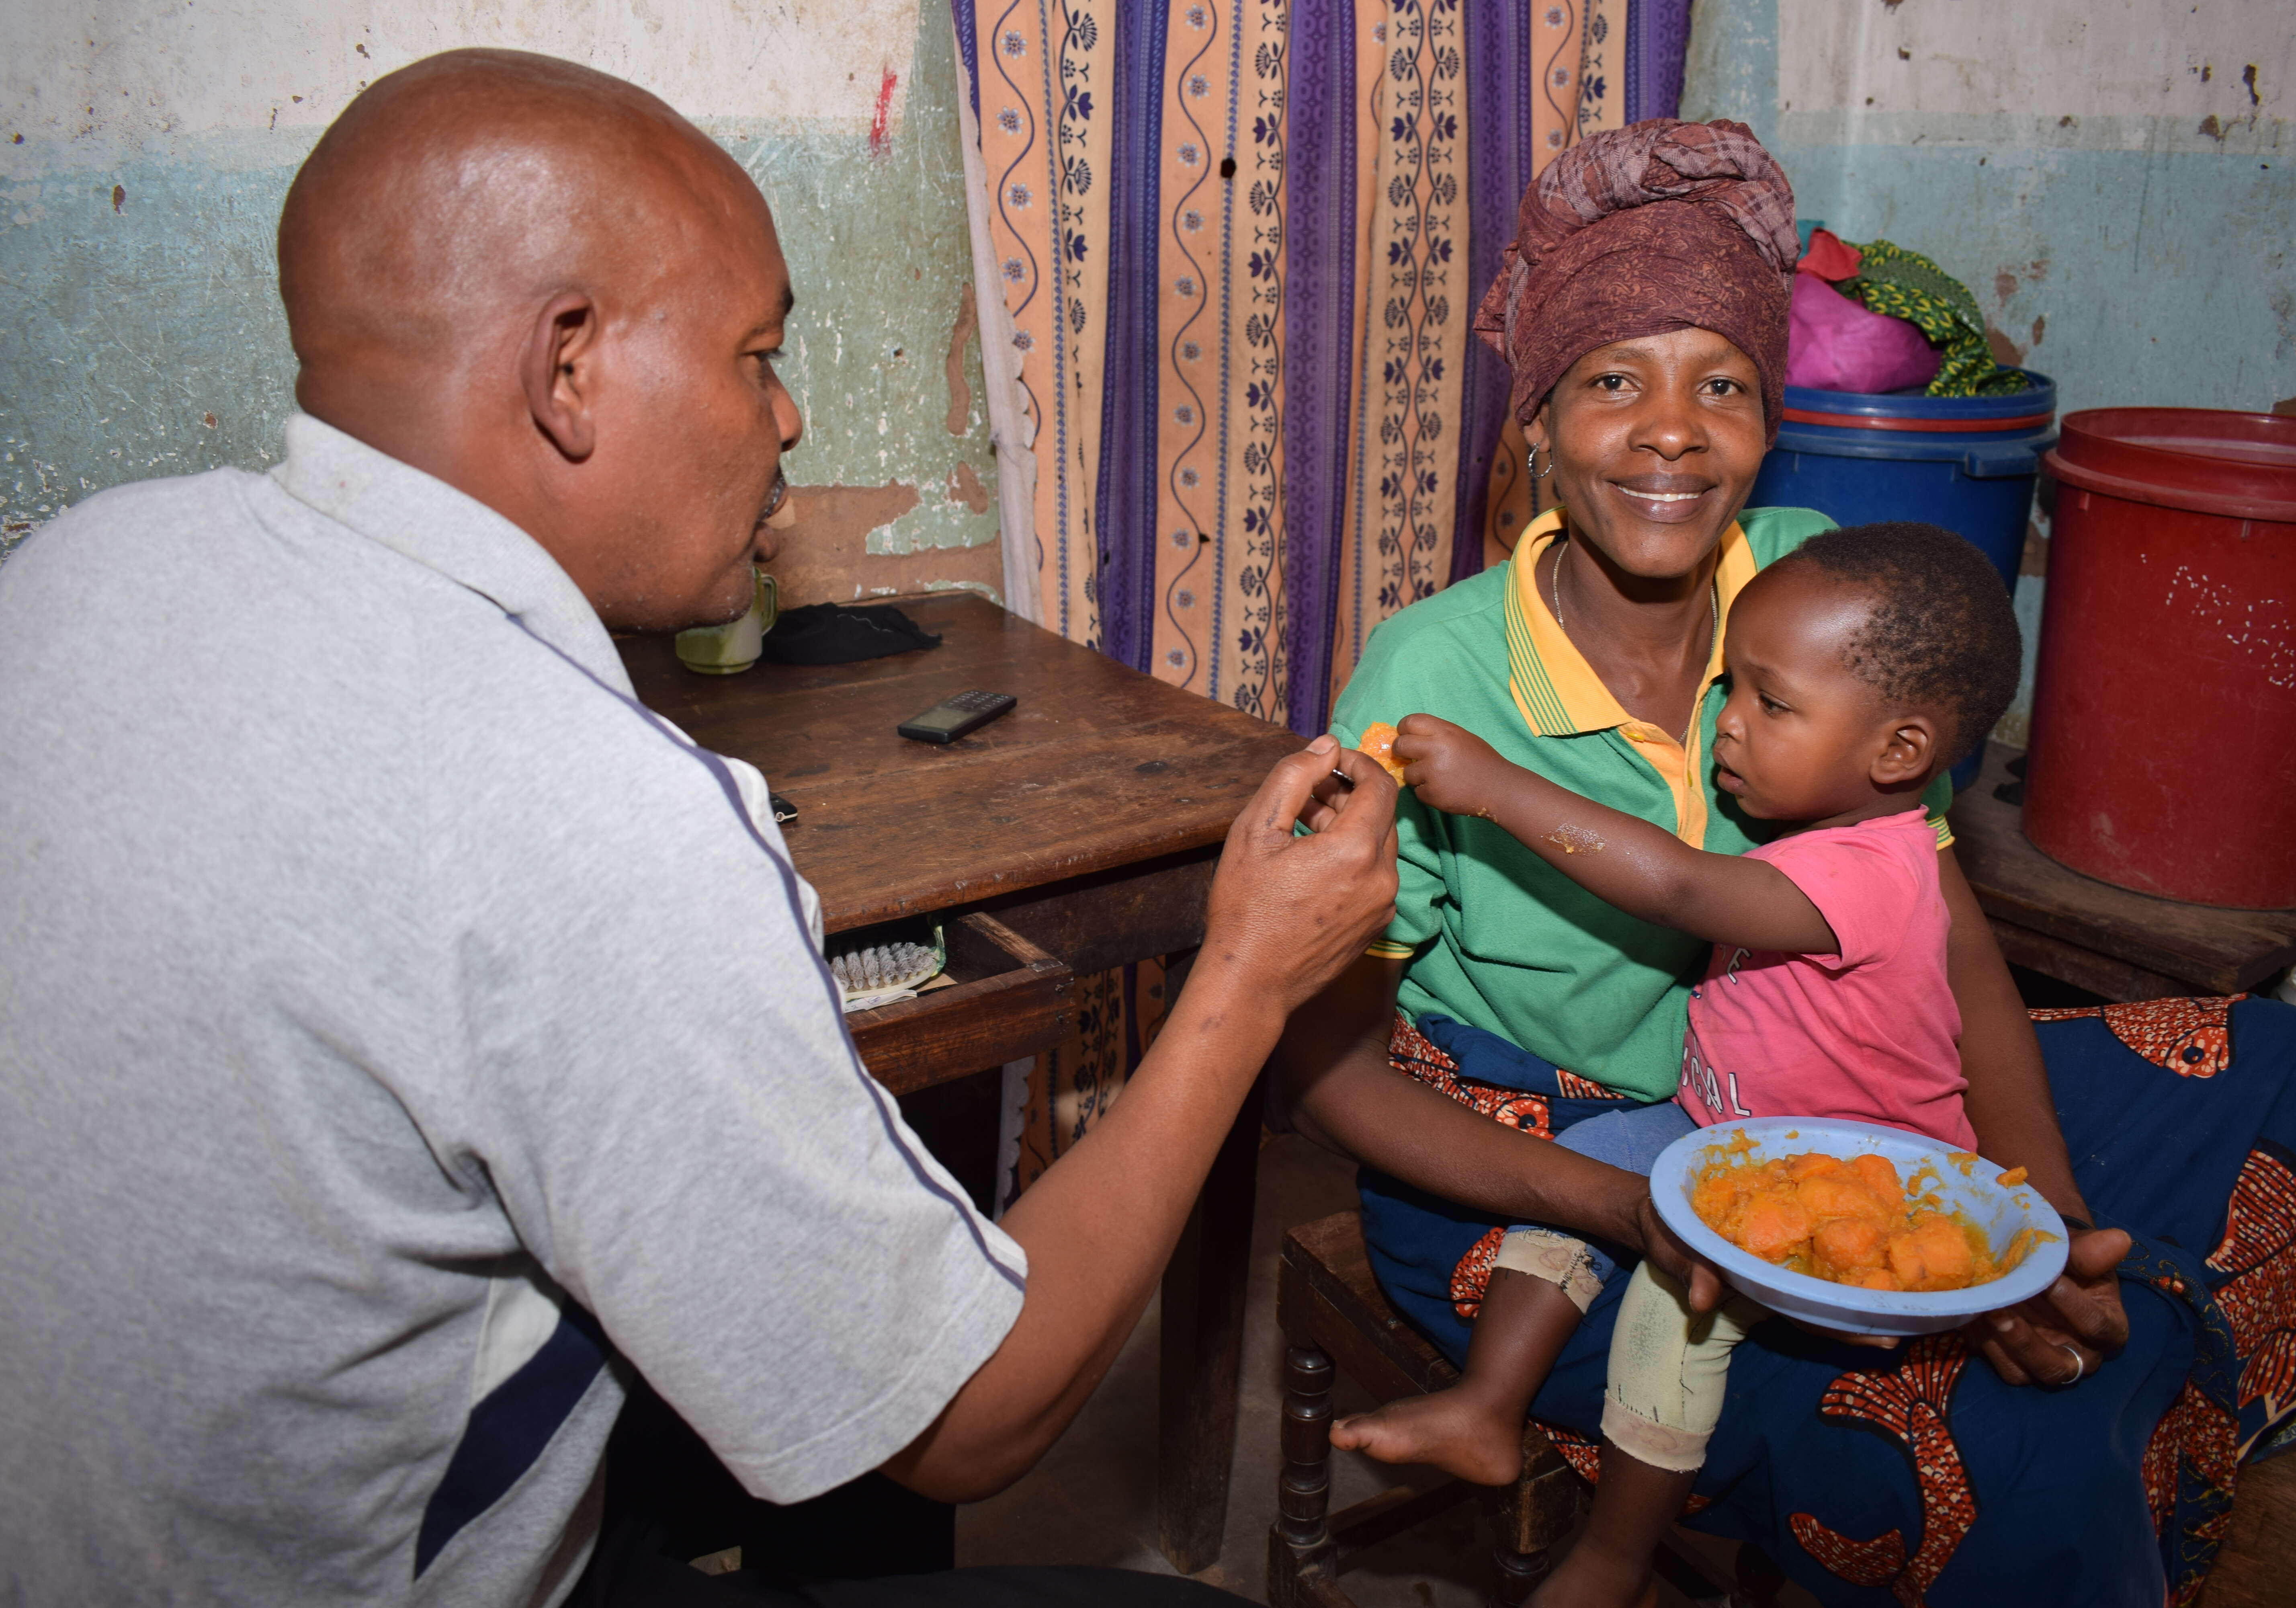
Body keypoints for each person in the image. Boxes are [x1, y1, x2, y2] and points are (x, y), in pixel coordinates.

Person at [0, 51, 1401, 1608]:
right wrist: (1246, 979)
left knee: (866, 1200)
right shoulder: (595, 812)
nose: (787, 415)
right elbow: (978, 1420)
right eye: (755, 353)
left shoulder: (84, 560)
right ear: (570, 369)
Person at [1277, 118, 2296, 1607]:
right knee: (2017, 1449)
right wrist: (1639, 1207)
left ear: (1769, 419)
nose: (1672, 431)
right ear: (1536, 426)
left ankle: (2131, 1354)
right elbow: (1323, 1059)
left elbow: (1945, 949)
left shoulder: (1814, 586)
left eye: (1724, 386)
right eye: (1614, 379)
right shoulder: (1435, 678)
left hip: (1814, 1086)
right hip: (1548, 1169)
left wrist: (2033, 1222)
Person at [1333, 522, 2029, 1606]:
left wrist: (1497, 788)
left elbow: (1682, 891)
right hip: (1728, 1132)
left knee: (1679, 1308)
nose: (1728, 727)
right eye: (1730, 692)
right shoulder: (1820, 824)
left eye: (1768, 706)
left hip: (1851, 1185)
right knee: (1593, 1164)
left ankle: (1611, 1559)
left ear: (1899, 754)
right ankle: (1487, 1408)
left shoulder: (1872, 870)